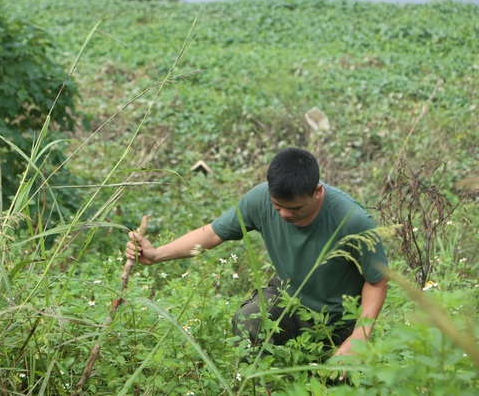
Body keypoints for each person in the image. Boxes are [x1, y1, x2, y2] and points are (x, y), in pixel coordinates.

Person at [126, 147, 388, 379]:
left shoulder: (352, 221)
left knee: (333, 381)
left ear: (317, 192)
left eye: (295, 209)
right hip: (289, 302)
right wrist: (157, 254)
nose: (285, 214)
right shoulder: (260, 199)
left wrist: (359, 336)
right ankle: (257, 384)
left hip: (337, 321)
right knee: (248, 320)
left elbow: (377, 280)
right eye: (277, 207)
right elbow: (213, 234)